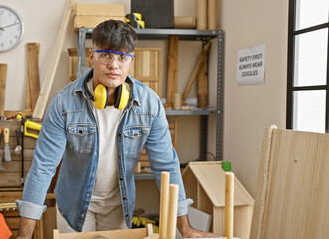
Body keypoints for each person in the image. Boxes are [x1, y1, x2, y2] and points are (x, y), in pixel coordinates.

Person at [16, 19, 219, 238]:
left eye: (122, 57)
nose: (114, 65)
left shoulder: (149, 105)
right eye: (106, 55)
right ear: (92, 56)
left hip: (118, 206)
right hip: (74, 205)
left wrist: (185, 228)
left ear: (131, 62)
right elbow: (43, 167)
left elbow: (166, 166)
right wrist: (24, 235)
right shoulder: (63, 104)